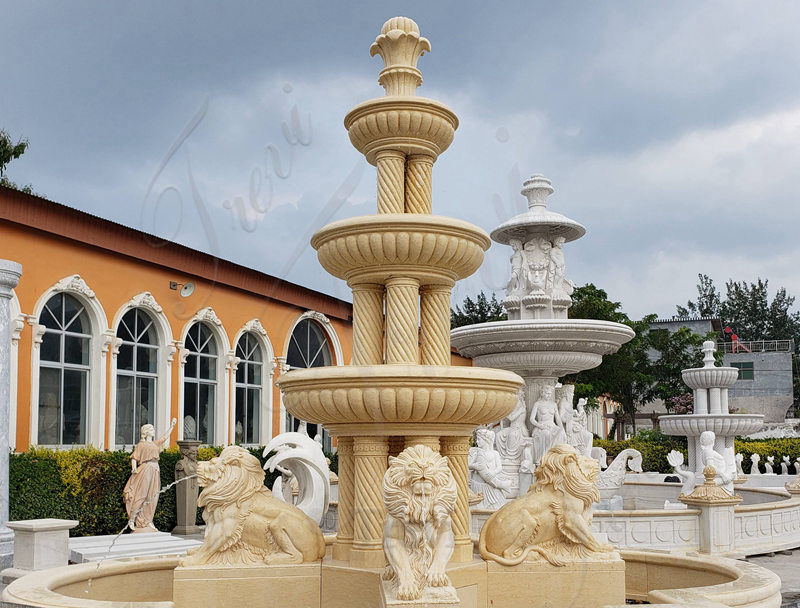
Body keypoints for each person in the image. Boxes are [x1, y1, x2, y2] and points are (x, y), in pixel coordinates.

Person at [123, 418, 177, 532]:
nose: (153, 430)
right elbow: (134, 457)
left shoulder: (154, 444)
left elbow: (164, 438)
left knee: (153, 496)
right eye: (151, 429)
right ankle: (132, 519)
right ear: (146, 432)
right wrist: (134, 468)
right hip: (145, 469)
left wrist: (172, 426)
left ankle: (148, 520)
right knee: (141, 495)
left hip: (155, 469)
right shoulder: (141, 445)